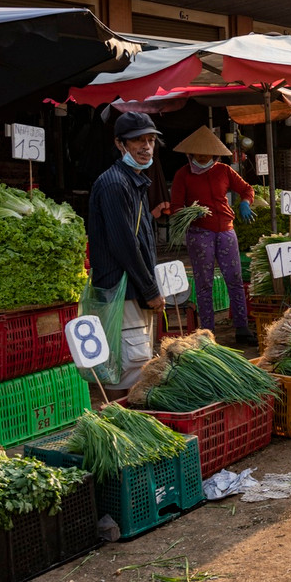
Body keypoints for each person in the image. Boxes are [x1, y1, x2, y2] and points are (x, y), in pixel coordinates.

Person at [87, 113, 165, 393]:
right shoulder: (115, 184)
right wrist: (150, 288)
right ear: (120, 145)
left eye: (151, 140)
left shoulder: (135, 181)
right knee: (128, 363)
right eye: (138, 141)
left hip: (134, 288)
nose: (146, 147)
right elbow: (124, 245)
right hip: (123, 288)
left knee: (138, 357)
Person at [168, 126, 256, 346]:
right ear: (190, 153)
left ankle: (242, 328)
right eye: (198, 153)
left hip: (226, 230)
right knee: (204, 283)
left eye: (207, 153)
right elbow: (176, 207)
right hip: (199, 233)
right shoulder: (183, 175)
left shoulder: (224, 171)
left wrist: (245, 203)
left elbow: (247, 189)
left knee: (235, 280)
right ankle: (208, 333)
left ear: (214, 153)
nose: (203, 156)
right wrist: (190, 213)